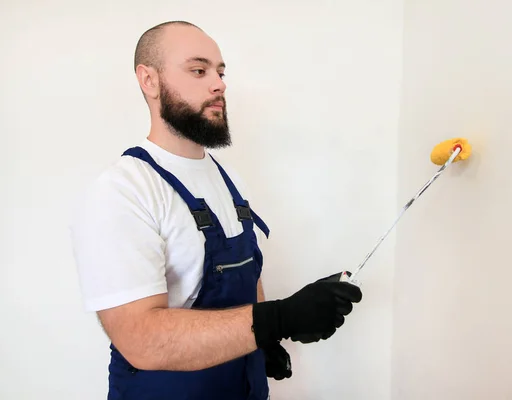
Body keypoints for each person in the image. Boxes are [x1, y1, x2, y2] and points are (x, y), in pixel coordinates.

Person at [69, 20, 363, 400]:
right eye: (198, 70)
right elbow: (140, 339)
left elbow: (246, 273)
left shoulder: (229, 181)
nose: (219, 83)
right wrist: (278, 318)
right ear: (149, 80)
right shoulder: (124, 191)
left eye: (220, 72)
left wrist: (268, 338)